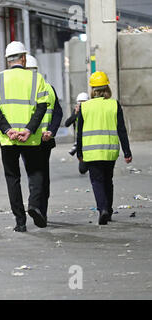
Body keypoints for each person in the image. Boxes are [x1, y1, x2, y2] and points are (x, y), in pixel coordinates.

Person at [0, 41, 49, 232]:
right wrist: (29, 129)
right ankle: (34, 205)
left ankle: (20, 221)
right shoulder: (36, 79)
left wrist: (7, 130)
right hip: (30, 138)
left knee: (12, 178)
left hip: (8, 140)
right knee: (36, 173)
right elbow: (42, 106)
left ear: (7, 60)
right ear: (23, 58)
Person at [76, 71, 132, 225]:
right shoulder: (114, 104)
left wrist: (79, 152)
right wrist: (127, 151)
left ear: (92, 89)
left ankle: (103, 209)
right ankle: (109, 209)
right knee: (108, 180)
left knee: (97, 181)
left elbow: (79, 132)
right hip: (110, 150)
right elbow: (121, 129)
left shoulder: (85, 107)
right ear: (107, 87)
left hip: (91, 152)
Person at [25, 54, 63, 222]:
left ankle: (35, 206)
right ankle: (42, 211)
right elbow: (58, 112)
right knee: (42, 175)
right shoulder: (48, 87)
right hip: (44, 140)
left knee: (33, 174)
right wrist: (52, 131)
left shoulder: (23, 89)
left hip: (27, 140)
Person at [65, 92, 89, 174]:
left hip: (89, 139)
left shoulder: (91, 111)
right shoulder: (76, 112)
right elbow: (67, 123)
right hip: (80, 141)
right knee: (82, 170)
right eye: (80, 102)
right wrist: (75, 114)